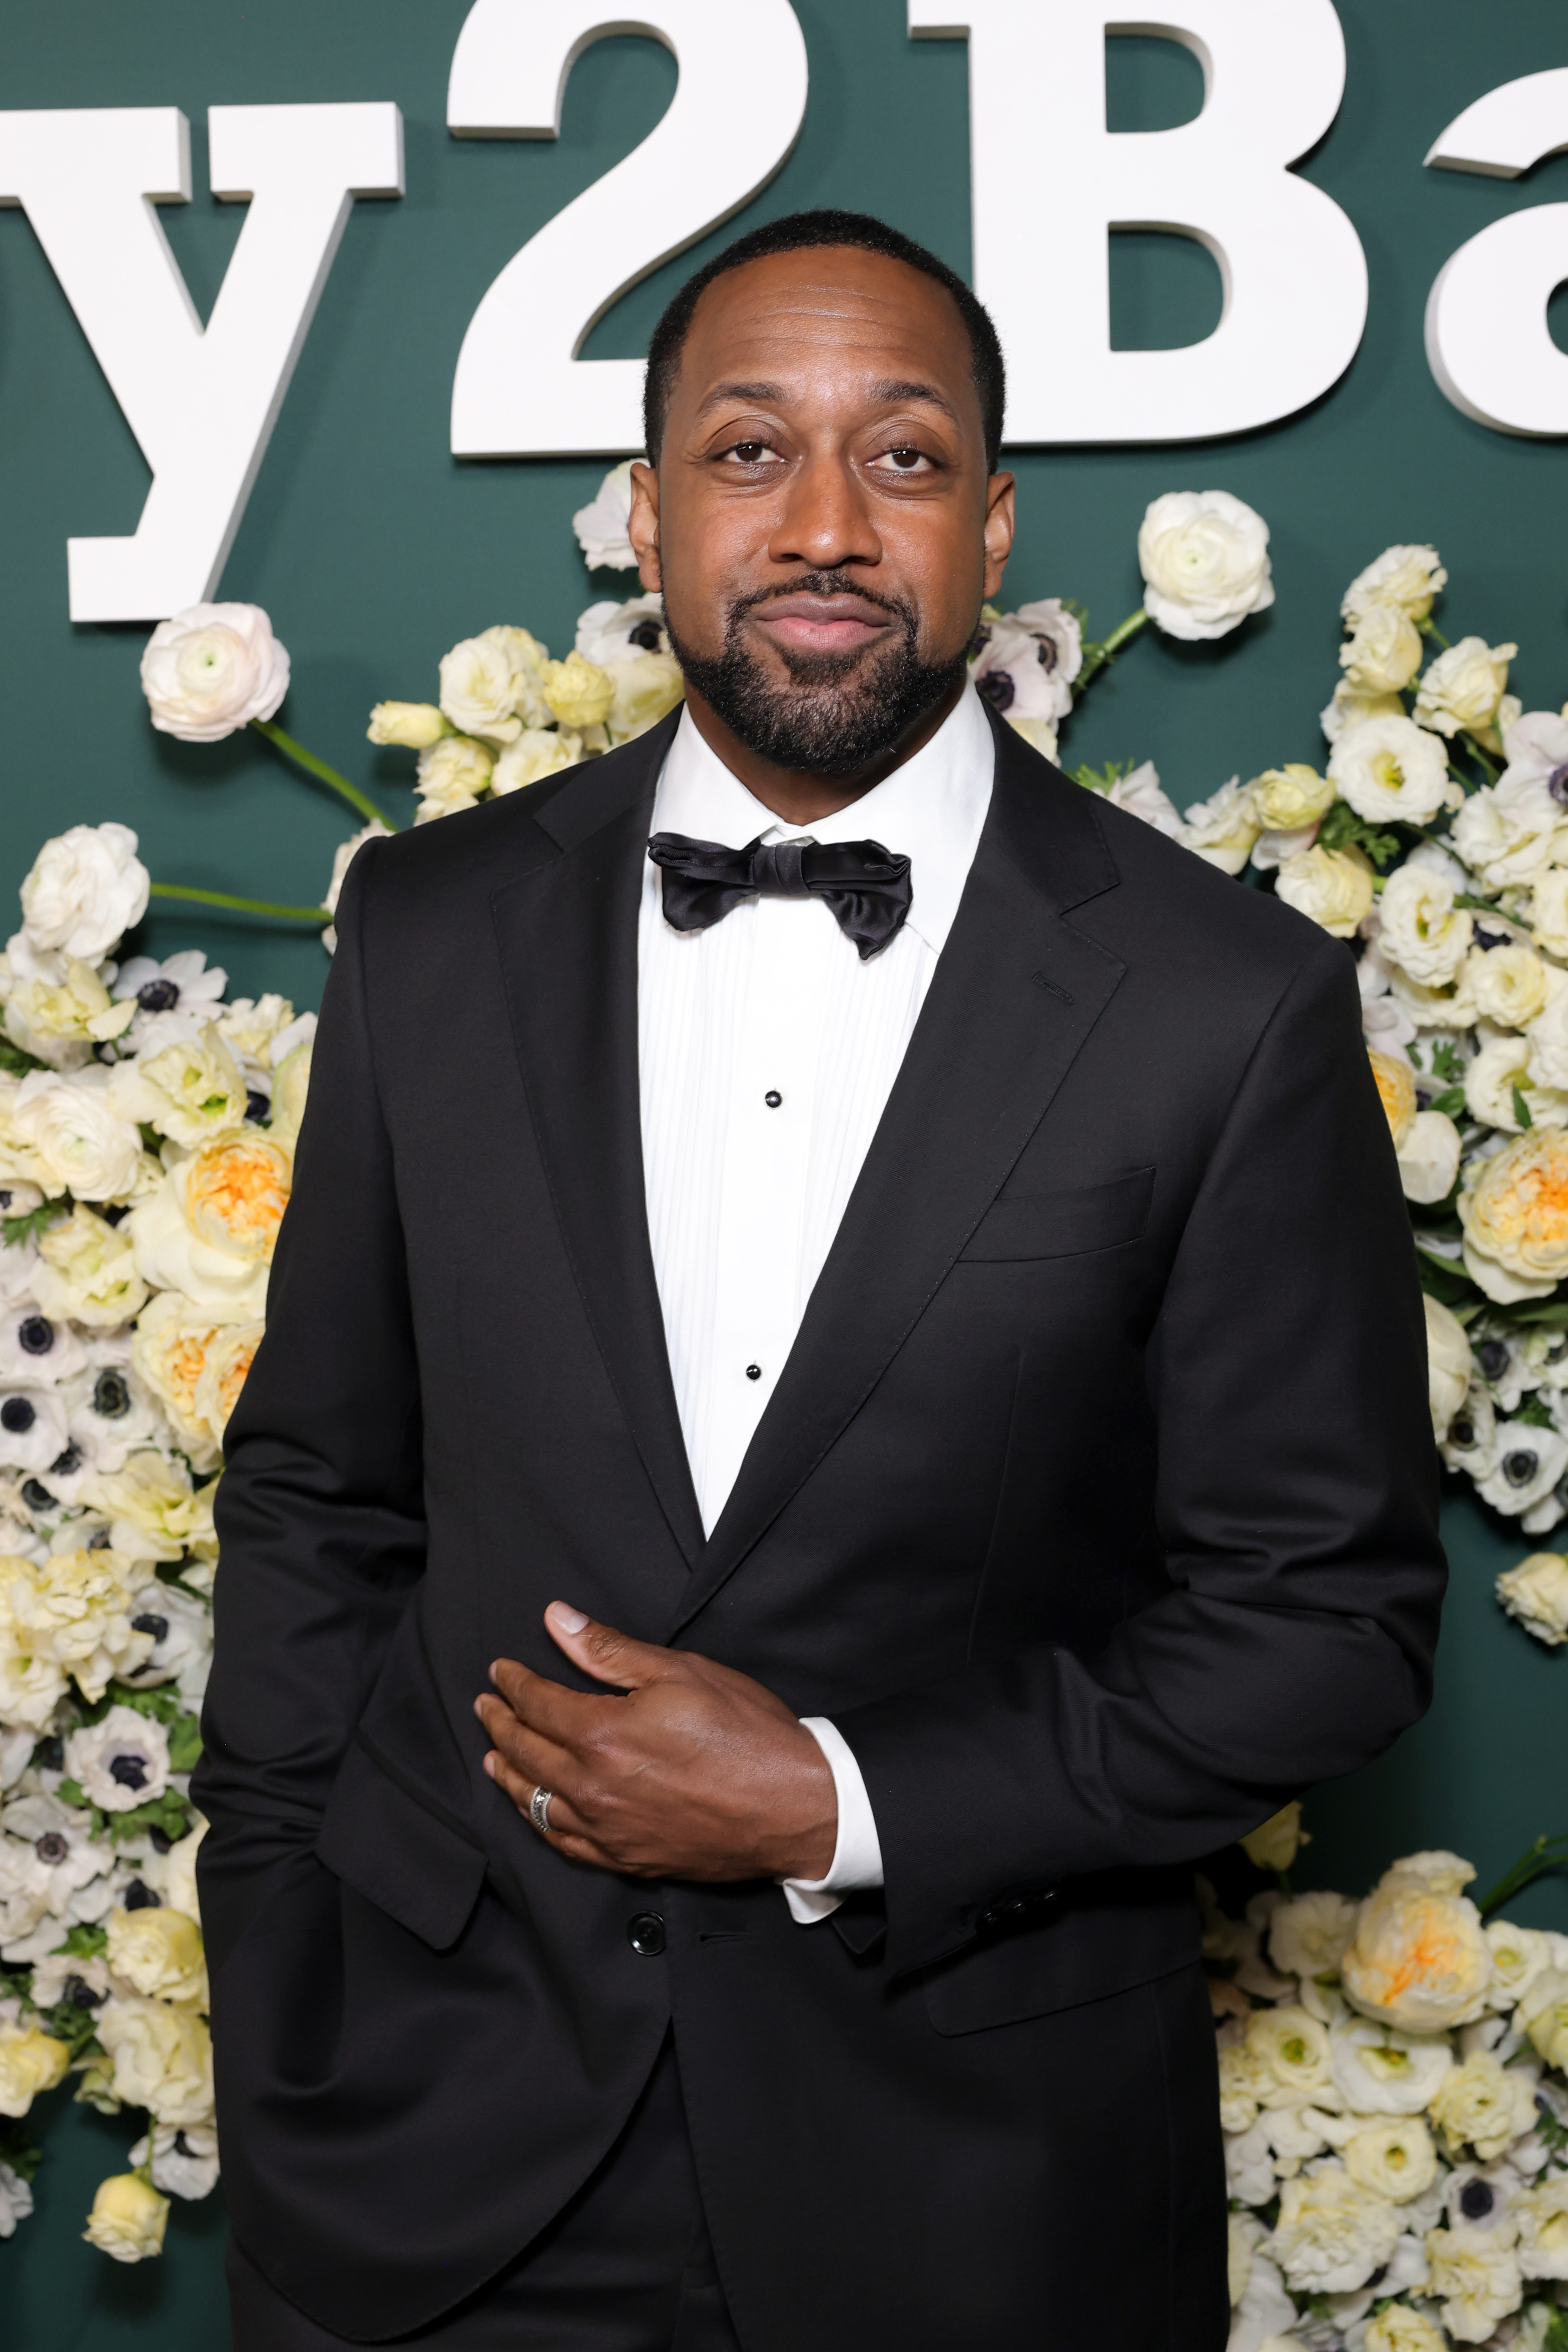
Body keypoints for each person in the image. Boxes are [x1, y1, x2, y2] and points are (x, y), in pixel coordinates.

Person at [196, 209, 1446, 2352]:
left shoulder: (1218, 998)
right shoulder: (429, 924)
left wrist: (844, 1801)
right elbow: (324, 1488)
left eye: (905, 456)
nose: (825, 524)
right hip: (428, 2152)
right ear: (647, 513)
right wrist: (282, 1943)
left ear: (992, 525)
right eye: (750, 450)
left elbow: (1323, 1621)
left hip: (970, 2178)